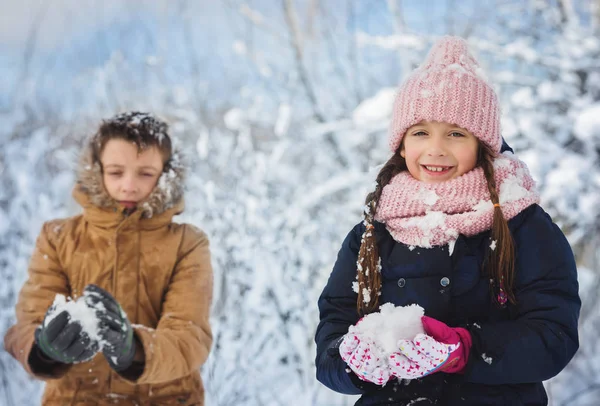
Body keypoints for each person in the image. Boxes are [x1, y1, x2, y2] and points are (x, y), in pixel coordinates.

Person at [315, 36, 580, 405]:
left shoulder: (522, 224)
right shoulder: (372, 233)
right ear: (402, 144)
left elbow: (553, 336)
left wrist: (464, 349)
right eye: (421, 132)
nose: (436, 149)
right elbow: (333, 326)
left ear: (482, 144)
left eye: (456, 133)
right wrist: (348, 361)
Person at [4, 112, 213, 405]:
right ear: (97, 170)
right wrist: (44, 348)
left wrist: (134, 350)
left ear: (165, 175)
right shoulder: (58, 237)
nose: (129, 185)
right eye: (116, 172)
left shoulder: (187, 244)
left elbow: (190, 336)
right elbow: (26, 324)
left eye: (145, 174)